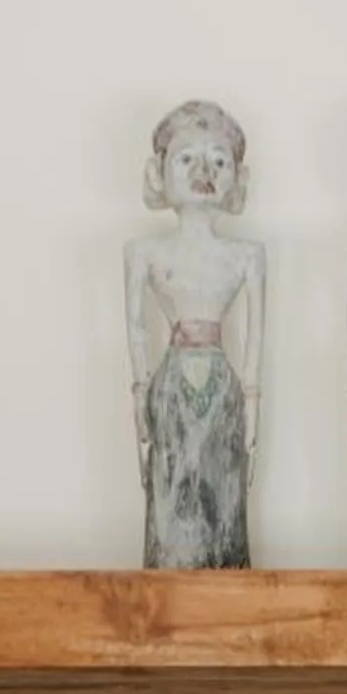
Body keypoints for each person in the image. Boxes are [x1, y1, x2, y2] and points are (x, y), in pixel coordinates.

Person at [124, 100, 264, 569]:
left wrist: (252, 403)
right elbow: (136, 331)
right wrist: (140, 397)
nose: (205, 170)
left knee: (223, 491)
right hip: (170, 384)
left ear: (235, 179)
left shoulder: (247, 254)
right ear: (158, 172)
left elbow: (256, 347)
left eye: (219, 160)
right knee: (170, 487)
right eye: (187, 158)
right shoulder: (143, 251)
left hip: (224, 386)